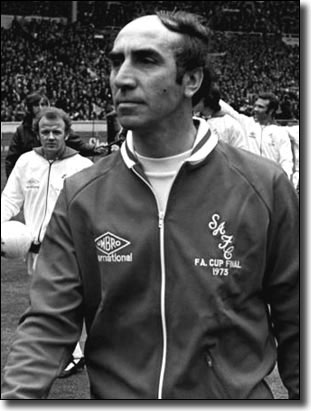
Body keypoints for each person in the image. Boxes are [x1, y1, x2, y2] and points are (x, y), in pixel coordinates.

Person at [1, 11, 299, 400]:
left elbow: (297, 318)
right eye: (115, 62)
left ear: (191, 80)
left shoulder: (263, 185)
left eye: (145, 60)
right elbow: (48, 323)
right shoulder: (81, 194)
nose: (121, 78)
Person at [1, 107, 93, 378]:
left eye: (56, 132)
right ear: (36, 133)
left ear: (66, 133)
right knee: (46, 302)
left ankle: (74, 355)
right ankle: (71, 353)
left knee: (59, 301)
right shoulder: (26, 162)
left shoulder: (81, 167)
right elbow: (9, 200)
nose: (51, 137)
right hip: (34, 250)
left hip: (68, 249)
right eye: (45, 132)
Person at [5, 92, 107, 178]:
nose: (41, 108)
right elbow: (11, 160)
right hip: (30, 180)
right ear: (30, 107)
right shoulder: (22, 131)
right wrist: (13, 182)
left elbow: (79, 145)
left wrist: (95, 149)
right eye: (37, 105)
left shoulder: (59, 124)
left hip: (55, 174)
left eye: (44, 104)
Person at [220, 93, 294, 180]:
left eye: (260, 107)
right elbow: (229, 111)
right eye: (255, 106)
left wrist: (284, 182)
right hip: (250, 181)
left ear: (270, 111)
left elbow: (286, 161)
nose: (255, 109)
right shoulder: (247, 124)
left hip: (270, 181)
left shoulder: (280, 133)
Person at [193, 82, 248, 150]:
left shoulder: (230, 124)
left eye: (196, 98)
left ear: (205, 100)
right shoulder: (195, 121)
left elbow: (241, 152)